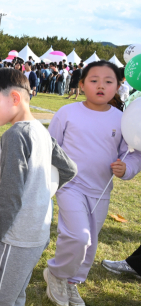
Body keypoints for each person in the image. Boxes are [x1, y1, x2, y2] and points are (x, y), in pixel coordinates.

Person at [44, 61, 141, 306]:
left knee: (91, 242)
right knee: (78, 236)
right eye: (94, 80)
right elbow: (49, 146)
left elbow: (132, 152)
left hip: (100, 190)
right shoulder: (67, 112)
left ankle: (72, 282)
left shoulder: (121, 118)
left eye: (108, 81)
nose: (101, 86)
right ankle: (56, 273)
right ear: (81, 84)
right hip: (70, 186)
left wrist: (126, 167)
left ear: (118, 87)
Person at [0, 68, 77, 306]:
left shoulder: (16, 135)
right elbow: (69, 169)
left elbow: (10, 195)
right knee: (16, 295)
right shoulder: (41, 132)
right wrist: (40, 193)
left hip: (16, 237)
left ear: (15, 98)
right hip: (37, 234)